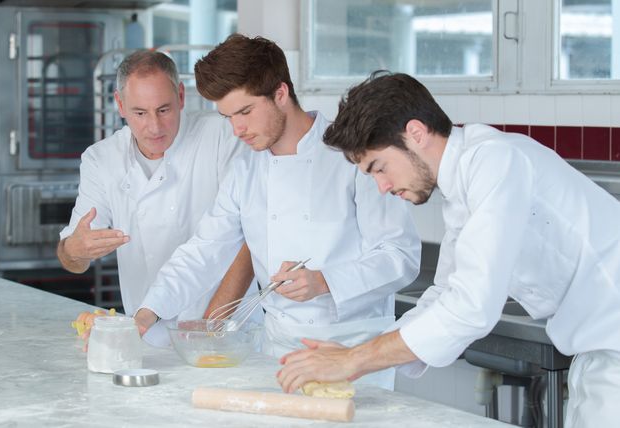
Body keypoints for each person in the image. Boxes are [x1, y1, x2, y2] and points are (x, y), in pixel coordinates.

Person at [276, 71, 620, 427]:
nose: (382, 186)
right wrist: (356, 355)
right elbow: (444, 292)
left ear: (416, 133)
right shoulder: (463, 184)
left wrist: (355, 360)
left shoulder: (495, 161)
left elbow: (471, 305)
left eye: (380, 168)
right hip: (599, 351)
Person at [134, 35, 421, 390]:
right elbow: (202, 251)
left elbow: (400, 256)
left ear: (281, 94)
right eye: (228, 117)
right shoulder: (245, 170)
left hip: (353, 355)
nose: (237, 130)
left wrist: (324, 281)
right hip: (278, 353)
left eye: (245, 112)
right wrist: (148, 312)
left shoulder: (353, 156)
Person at [57, 50, 254, 346]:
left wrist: (211, 325)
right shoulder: (102, 159)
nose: (154, 127)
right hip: (147, 334)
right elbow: (71, 259)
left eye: (164, 110)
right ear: (120, 104)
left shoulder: (223, 137)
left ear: (181, 96)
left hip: (230, 333)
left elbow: (247, 241)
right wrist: (76, 249)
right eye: (140, 113)